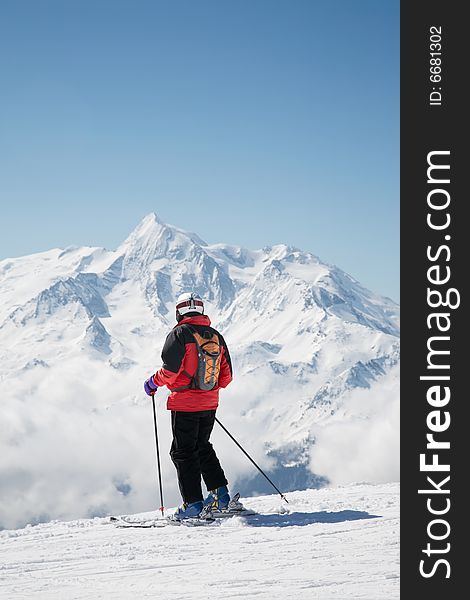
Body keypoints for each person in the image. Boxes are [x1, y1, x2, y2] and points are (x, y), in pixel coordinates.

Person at [143, 292, 233, 520]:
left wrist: (153, 382)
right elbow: (226, 378)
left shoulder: (180, 334)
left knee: (182, 452)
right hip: (210, 403)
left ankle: (193, 504)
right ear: (201, 311)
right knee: (203, 446)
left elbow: (170, 371)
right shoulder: (215, 336)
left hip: (184, 404)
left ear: (178, 313)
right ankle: (221, 497)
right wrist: (205, 392)